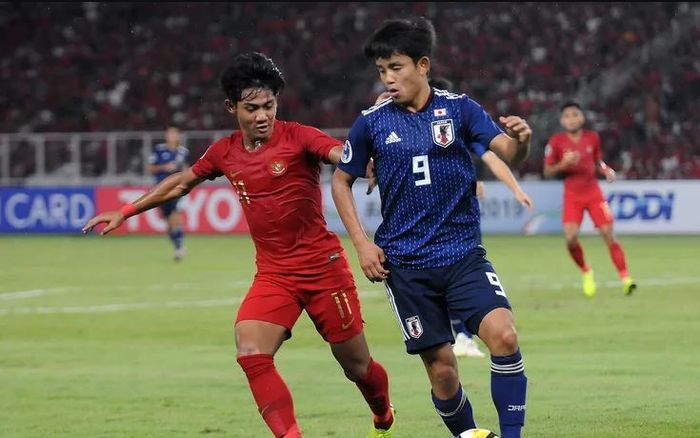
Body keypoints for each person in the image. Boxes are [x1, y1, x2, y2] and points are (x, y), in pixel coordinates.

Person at [83, 52, 395, 438]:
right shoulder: (224, 152)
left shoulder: (299, 135)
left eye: (269, 105)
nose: (263, 115)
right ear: (232, 107)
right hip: (275, 274)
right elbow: (181, 182)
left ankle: (382, 415)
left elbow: (340, 155)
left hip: (323, 268)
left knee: (357, 367)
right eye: (252, 108)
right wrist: (127, 210)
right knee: (251, 351)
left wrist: (366, 160)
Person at [332, 17, 530, 438]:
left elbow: (509, 153)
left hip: (462, 255)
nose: (388, 78)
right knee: (443, 372)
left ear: (423, 65)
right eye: (382, 70)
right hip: (405, 267)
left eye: (396, 67)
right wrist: (362, 245)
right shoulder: (371, 122)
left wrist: (523, 139)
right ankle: (468, 434)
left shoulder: (460, 109)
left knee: (505, 337)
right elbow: (340, 180)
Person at [375, 77, 487, 360]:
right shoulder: (382, 121)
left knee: (496, 326)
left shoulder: (456, 116)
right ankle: (460, 338)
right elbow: (345, 172)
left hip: (456, 240)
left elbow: (492, 152)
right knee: (439, 364)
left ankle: (463, 336)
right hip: (410, 251)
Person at [544, 101, 637, 297]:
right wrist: (563, 163)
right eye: (567, 116)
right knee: (570, 239)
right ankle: (586, 271)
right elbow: (547, 170)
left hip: (593, 192)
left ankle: (625, 278)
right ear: (562, 120)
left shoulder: (592, 137)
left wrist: (605, 170)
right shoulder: (556, 141)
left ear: (582, 117)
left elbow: (596, 161)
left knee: (608, 233)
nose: (571, 119)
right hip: (572, 195)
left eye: (575, 115)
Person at [147, 126, 189, 261]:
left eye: (174, 134)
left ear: (178, 136)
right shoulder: (159, 150)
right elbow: (150, 168)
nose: (172, 136)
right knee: (169, 222)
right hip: (160, 189)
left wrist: (182, 172)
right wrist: (164, 167)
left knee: (175, 215)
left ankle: (180, 248)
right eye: (169, 134)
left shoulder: (183, 152)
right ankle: (177, 245)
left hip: (177, 189)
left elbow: (188, 170)